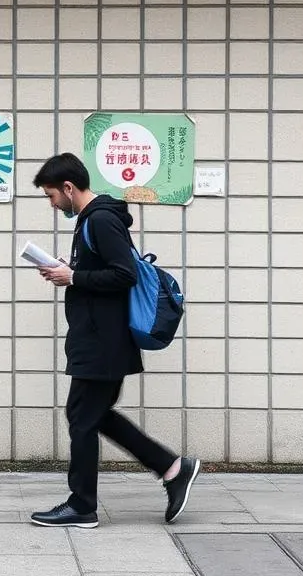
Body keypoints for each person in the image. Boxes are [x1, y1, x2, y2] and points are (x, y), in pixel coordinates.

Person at [29, 152, 199, 529]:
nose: (52, 203)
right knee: (91, 416)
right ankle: (173, 469)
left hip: (101, 341)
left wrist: (72, 278)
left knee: (83, 420)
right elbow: (105, 270)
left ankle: (82, 506)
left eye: (51, 195)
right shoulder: (95, 220)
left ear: (68, 188)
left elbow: (124, 275)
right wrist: (70, 270)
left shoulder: (101, 219)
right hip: (101, 338)